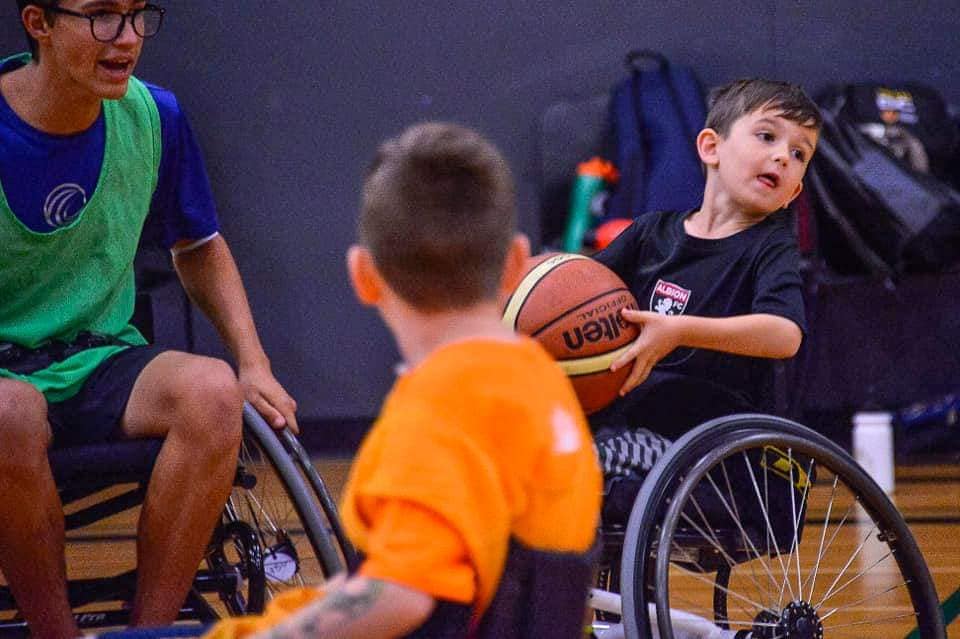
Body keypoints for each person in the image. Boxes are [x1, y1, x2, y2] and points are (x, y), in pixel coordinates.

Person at [204, 122, 602, 639]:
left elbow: (400, 595)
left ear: (363, 277)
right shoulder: (546, 386)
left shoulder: (437, 414)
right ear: (516, 265)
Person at [0, 1, 297, 636]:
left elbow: (201, 246)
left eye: (138, 15)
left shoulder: (155, 115)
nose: (127, 38)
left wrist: (254, 362)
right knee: (9, 414)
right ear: (39, 23)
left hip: (98, 357)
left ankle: (150, 632)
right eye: (103, 15)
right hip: (4, 382)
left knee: (214, 392)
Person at [590, 78, 822, 524]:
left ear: (793, 191)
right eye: (768, 136)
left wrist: (680, 330)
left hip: (715, 456)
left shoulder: (770, 247)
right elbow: (578, 289)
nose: (782, 156)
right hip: (635, 423)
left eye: (799, 154)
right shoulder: (650, 233)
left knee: (579, 468)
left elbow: (785, 335)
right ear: (711, 148)